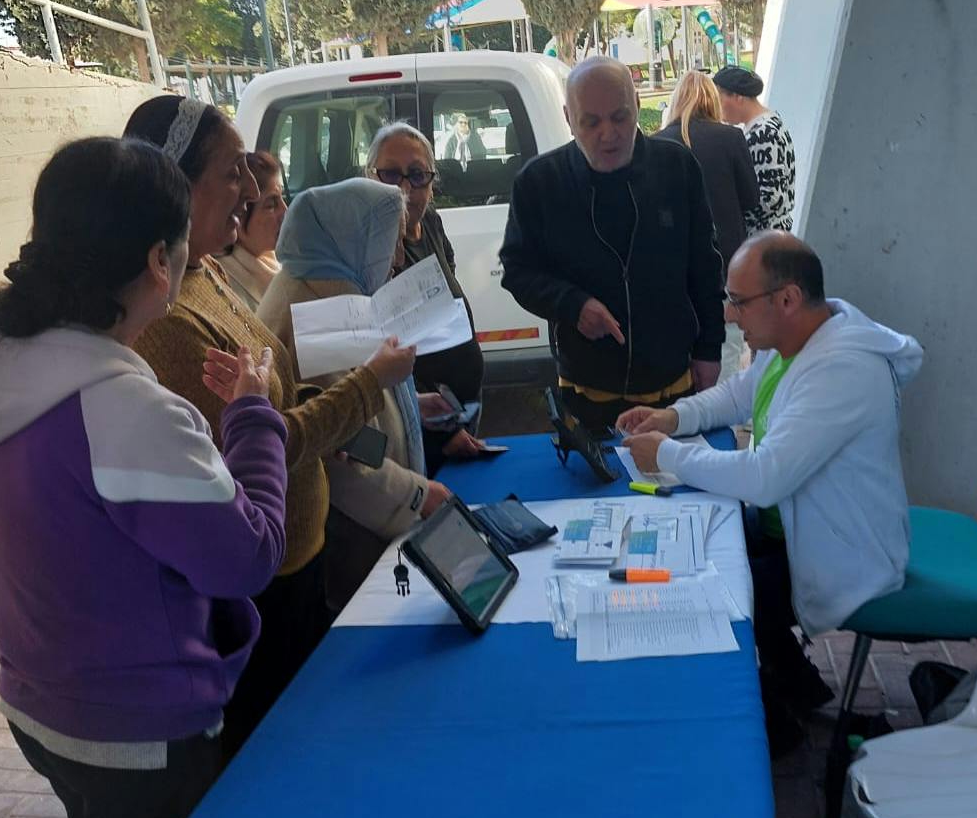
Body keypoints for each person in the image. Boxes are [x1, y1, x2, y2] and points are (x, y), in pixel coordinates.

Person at [0, 137, 289, 818]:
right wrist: (253, 415)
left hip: (38, 703)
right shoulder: (123, 409)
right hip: (138, 734)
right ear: (161, 263)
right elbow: (250, 556)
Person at [124, 95, 415, 755]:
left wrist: (366, 419)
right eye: (233, 174)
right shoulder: (168, 321)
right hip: (264, 586)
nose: (253, 192)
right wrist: (371, 384)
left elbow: (279, 394)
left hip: (300, 557)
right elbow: (269, 444)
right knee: (280, 757)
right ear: (177, 185)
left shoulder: (204, 272)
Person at [618, 232, 923, 752]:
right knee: (699, 551)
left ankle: (768, 724)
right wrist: (673, 417)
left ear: (787, 299)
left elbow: (764, 478)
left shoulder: (842, 370)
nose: (730, 315)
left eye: (739, 302)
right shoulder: (791, 343)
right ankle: (793, 687)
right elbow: (738, 396)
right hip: (795, 529)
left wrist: (667, 455)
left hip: (842, 552)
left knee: (715, 592)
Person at [499, 55, 725, 432]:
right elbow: (518, 272)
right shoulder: (539, 182)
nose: (608, 133)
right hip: (587, 392)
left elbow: (705, 265)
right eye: (591, 122)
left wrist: (710, 350)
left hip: (673, 385)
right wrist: (572, 305)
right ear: (569, 118)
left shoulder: (677, 167)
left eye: (620, 117)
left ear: (637, 105)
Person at [258, 179, 455, 611]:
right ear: (353, 239)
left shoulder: (325, 288)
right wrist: (415, 494)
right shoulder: (314, 316)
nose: (398, 258)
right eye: (389, 242)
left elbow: (353, 416)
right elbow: (340, 445)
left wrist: (409, 408)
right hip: (351, 542)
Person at [367, 122, 489, 472]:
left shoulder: (431, 222)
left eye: (418, 175)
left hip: (459, 412)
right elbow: (379, 353)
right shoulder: (373, 251)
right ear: (370, 177)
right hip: (424, 428)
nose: (405, 188)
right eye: (391, 175)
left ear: (432, 182)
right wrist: (440, 436)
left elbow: (447, 277)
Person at [656, 70, 760, 381]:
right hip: (726, 267)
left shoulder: (657, 144)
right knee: (726, 354)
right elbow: (751, 198)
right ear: (713, 100)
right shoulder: (731, 138)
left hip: (675, 269)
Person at [711, 66, 796, 233]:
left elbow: (769, 198)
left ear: (738, 97)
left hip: (764, 237)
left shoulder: (762, 135)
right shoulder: (771, 123)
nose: (718, 109)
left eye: (719, 100)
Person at [221, 150, 287, 312]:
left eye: (283, 198)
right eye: (271, 205)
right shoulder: (227, 286)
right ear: (239, 214)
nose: (285, 211)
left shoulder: (273, 262)